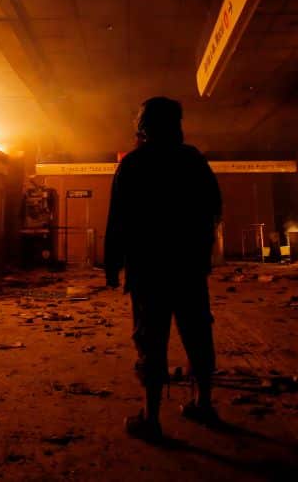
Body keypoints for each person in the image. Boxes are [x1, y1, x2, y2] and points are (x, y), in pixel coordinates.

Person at [104, 96, 222, 442]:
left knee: (151, 341)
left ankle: (151, 417)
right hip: (188, 268)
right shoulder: (193, 161)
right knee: (198, 335)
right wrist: (201, 250)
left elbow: (118, 219)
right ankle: (203, 404)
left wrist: (113, 265)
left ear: (144, 125)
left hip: (148, 270)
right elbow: (215, 208)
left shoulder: (134, 164)